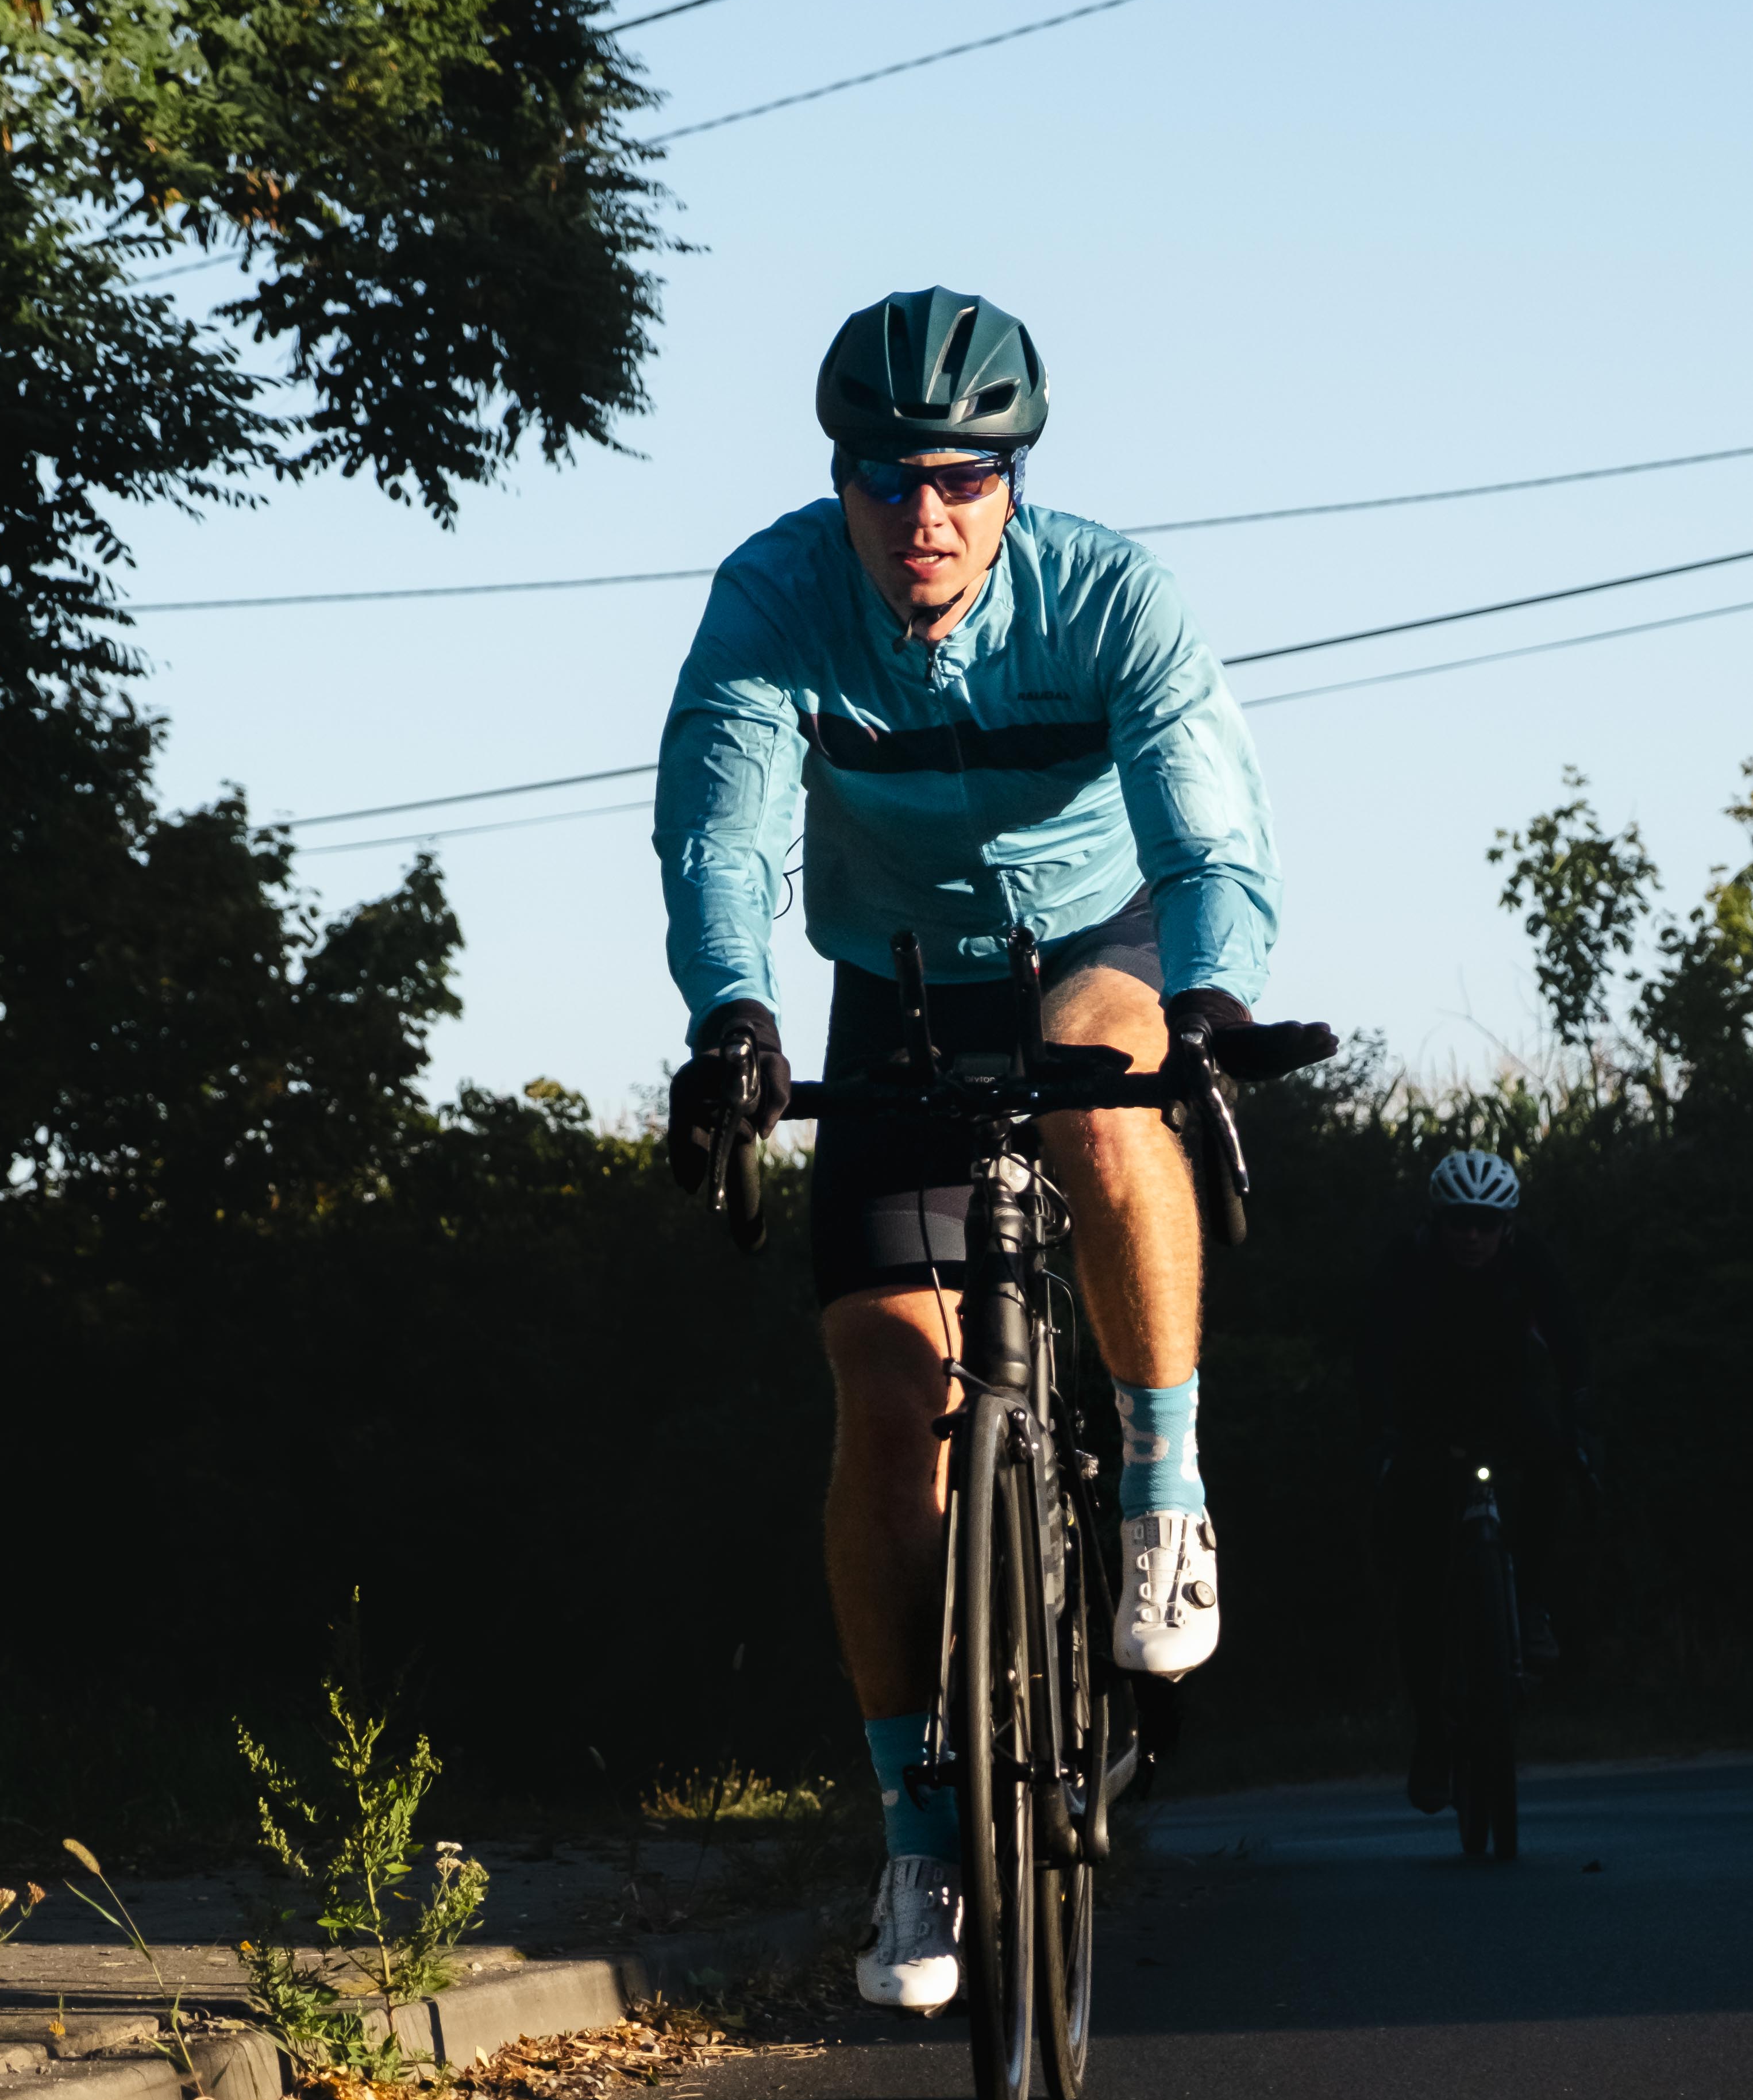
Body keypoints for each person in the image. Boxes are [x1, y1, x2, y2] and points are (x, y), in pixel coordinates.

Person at [657, 286, 1281, 2011]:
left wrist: (1211, 1000)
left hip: (1100, 939)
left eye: (958, 478)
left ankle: (1160, 1489)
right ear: (838, 482)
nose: (919, 515)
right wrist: (730, 1012)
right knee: (881, 1383)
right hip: (899, 985)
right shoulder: (773, 600)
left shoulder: (1110, 599)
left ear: (1012, 481)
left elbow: (1209, 832)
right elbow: (718, 829)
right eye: (884, 478)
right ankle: (918, 1834)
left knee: (1098, 1080)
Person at [1362, 1149, 1596, 1814]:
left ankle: (1528, 1604)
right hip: (1424, 1413)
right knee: (1421, 1581)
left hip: (1503, 1402)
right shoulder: (1405, 1262)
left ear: (1506, 1226)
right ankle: (1431, 1737)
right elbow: (1370, 1351)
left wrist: (1580, 1418)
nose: (1471, 1235)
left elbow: (1569, 1340)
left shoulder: (1529, 1259)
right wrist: (1380, 1433)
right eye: (1458, 1222)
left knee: (1554, 1462)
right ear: (1436, 1221)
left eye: (1485, 1223)